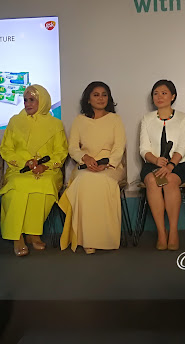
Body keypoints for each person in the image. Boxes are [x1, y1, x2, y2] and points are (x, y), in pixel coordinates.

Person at [0, 84, 67, 257]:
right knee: (17, 186)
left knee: (44, 184)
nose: (27, 104)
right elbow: (6, 149)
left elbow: (61, 151)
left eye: (32, 100)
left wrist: (45, 166)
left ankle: (33, 233)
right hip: (19, 169)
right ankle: (17, 236)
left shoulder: (55, 124)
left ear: (42, 101)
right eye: (25, 100)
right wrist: (24, 162)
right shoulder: (15, 121)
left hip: (48, 169)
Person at [59, 82, 126, 254]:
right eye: (96, 95)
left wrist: (107, 163)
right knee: (85, 180)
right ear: (88, 99)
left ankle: (105, 238)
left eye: (104, 94)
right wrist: (85, 158)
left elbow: (119, 148)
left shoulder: (115, 120)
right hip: (85, 165)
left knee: (102, 181)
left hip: (111, 165)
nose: (100, 98)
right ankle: (87, 239)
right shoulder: (79, 120)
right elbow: (73, 148)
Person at [139, 79, 185, 251]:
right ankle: (161, 233)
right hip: (153, 164)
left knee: (169, 181)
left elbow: (182, 147)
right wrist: (156, 160)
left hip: (179, 165)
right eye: (156, 93)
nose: (159, 97)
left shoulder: (183, 118)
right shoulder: (147, 119)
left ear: (173, 96)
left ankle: (173, 231)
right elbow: (143, 149)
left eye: (164, 93)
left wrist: (169, 166)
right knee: (153, 181)